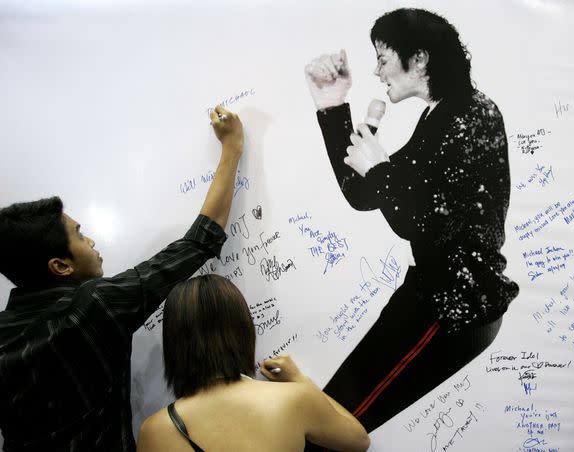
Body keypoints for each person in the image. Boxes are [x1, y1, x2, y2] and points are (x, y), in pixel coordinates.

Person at [304, 8, 519, 433]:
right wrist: (332, 103)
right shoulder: (441, 115)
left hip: (452, 309)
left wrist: (382, 169)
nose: (377, 71)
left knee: (333, 425)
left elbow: (421, 224)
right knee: (330, 419)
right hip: (438, 298)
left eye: (383, 58)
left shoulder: (472, 117)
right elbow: (363, 194)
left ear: (418, 58)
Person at [0, 106, 243, 451]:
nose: (91, 242)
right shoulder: (91, 309)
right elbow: (199, 241)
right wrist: (232, 146)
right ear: (60, 266)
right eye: (80, 235)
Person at [136, 274, 370, 452]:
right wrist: (300, 380)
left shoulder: (154, 431)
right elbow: (358, 440)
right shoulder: (294, 397)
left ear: (174, 344)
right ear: (244, 331)